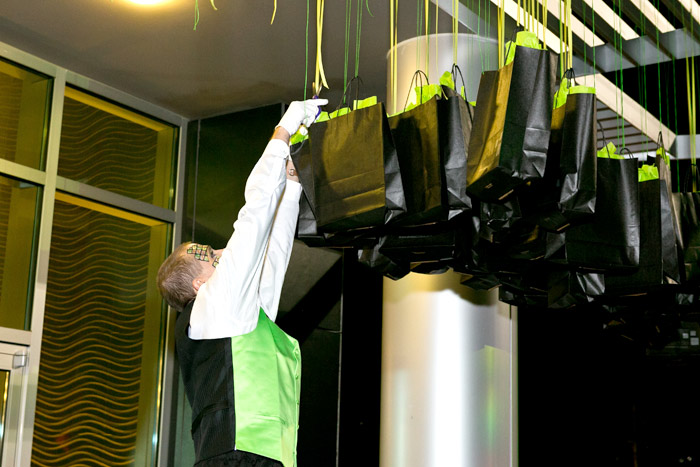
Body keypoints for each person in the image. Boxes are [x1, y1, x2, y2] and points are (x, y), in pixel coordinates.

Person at [156, 98, 327, 467]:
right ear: (200, 286)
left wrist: (291, 183)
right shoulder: (212, 307)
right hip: (237, 458)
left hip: (260, 457)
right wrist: (283, 130)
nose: (221, 251)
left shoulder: (236, 314)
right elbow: (254, 216)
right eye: (209, 255)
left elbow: (273, 253)